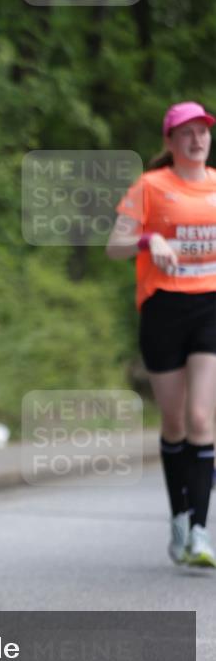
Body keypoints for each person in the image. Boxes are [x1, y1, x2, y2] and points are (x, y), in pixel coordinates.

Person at [106, 101, 216, 568]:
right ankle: (178, 518)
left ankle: (199, 532)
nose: (197, 140)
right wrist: (152, 241)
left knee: (200, 418)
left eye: (203, 132)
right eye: (186, 133)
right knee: (173, 423)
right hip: (163, 308)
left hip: (210, 304)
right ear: (170, 142)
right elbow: (115, 246)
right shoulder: (150, 187)